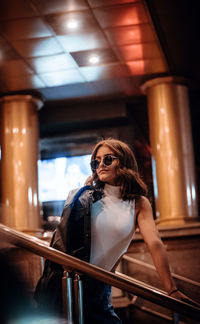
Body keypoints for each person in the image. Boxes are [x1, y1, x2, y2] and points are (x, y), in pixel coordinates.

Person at [34, 138, 198, 323]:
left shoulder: (138, 203)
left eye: (108, 159)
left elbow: (154, 242)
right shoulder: (86, 197)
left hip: (99, 288)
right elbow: (62, 242)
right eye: (96, 162)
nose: (101, 165)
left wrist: (171, 289)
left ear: (124, 162)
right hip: (68, 283)